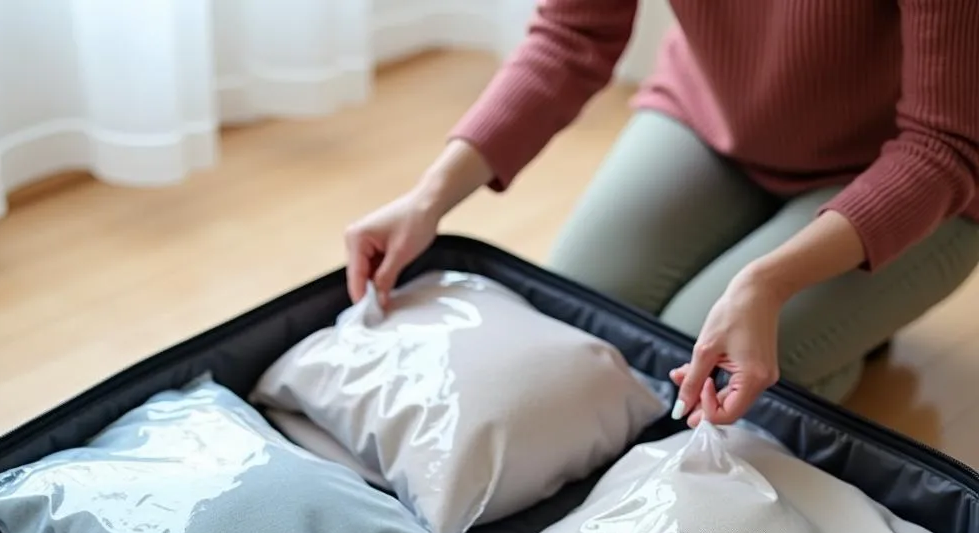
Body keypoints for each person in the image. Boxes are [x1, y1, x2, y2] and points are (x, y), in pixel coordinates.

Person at [343, 1, 979, 427]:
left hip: (917, 176)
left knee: (698, 374)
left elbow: (943, 147)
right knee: (576, 325)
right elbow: (572, 34)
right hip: (712, 118)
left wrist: (768, 279)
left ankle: (846, 332)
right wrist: (429, 197)